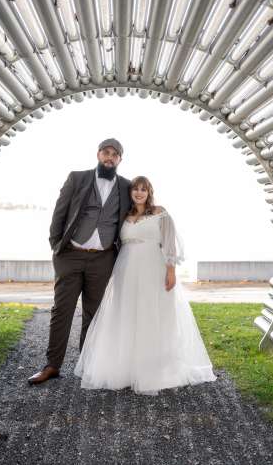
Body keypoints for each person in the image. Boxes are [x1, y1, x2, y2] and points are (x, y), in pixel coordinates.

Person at [74, 176, 217, 395]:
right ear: (130, 192)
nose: (139, 193)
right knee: (127, 314)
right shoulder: (125, 216)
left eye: (144, 189)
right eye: (135, 189)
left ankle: (155, 368)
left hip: (153, 269)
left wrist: (171, 270)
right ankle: (127, 368)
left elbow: (169, 242)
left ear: (149, 192)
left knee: (153, 313)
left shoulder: (160, 212)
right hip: (126, 271)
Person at [28, 139, 131, 385]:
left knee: (94, 314)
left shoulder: (126, 186)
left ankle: (88, 366)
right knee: (62, 310)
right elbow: (59, 213)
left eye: (115, 154)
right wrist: (57, 246)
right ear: (98, 154)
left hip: (103, 258)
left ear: (120, 159)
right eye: (106, 152)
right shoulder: (77, 178)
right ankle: (52, 366)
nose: (110, 157)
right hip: (71, 255)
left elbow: (138, 211)